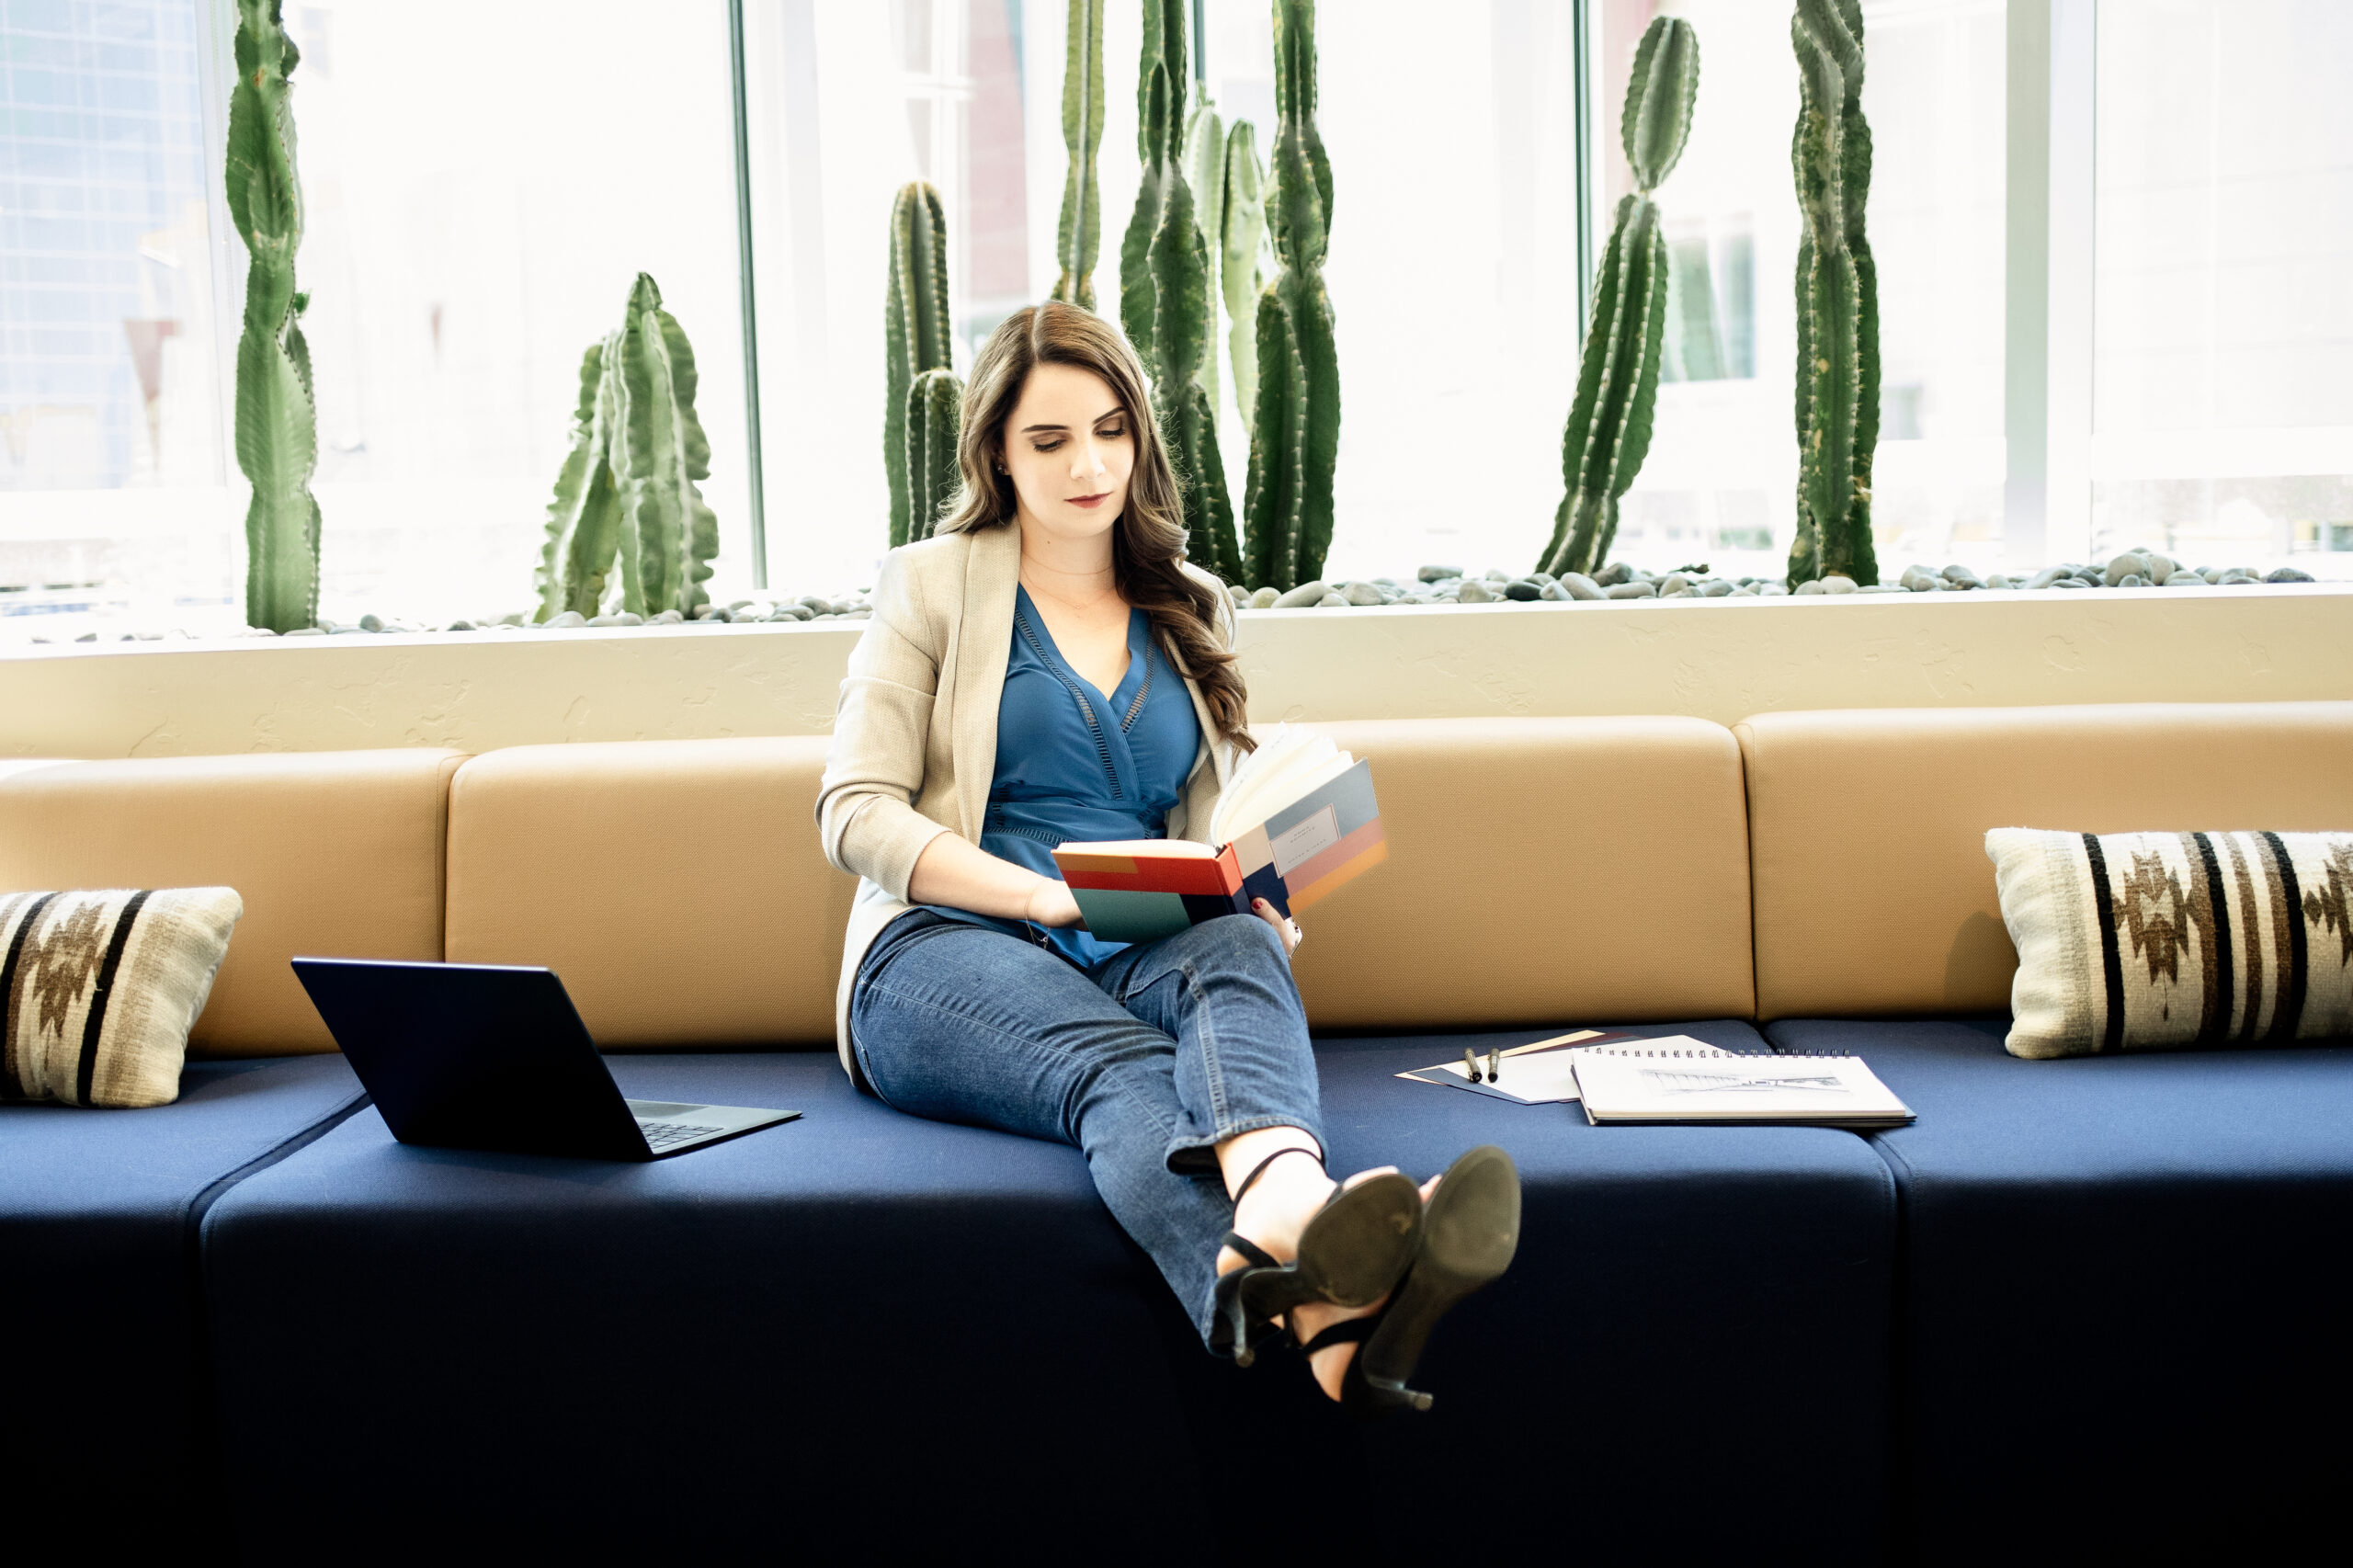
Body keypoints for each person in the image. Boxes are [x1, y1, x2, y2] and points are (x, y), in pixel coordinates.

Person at [816, 301, 1518, 1414]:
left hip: (1133, 932)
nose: (1086, 464)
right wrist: (1040, 894)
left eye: (1108, 430)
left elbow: (1214, 820)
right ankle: (1319, 1280)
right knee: (1128, 1074)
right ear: (997, 450)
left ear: (1139, 434)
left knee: (1239, 934)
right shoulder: (931, 585)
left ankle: (1292, 1225)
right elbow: (853, 812)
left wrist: (1258, 884)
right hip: (945, 944)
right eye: (1047, 441)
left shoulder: (1190, 602)